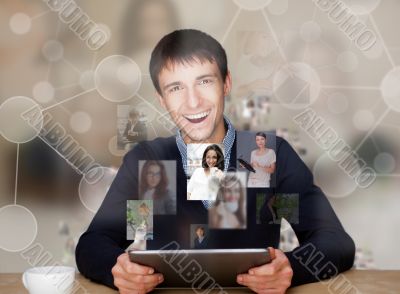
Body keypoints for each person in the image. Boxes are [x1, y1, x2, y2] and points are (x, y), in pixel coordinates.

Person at [76, 29, 355, 294]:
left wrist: (291, 269)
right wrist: (117, 268)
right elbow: (95, 243)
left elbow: (333, 240)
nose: (193, 102)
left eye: (204, 81)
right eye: (176, 88)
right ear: (161, 100)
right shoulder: (150, 163)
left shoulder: (269, 156)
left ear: (226, 83)